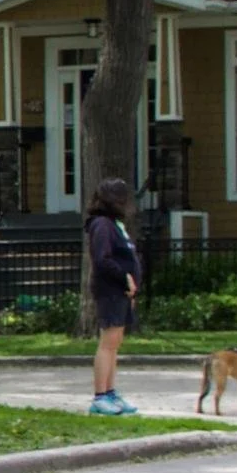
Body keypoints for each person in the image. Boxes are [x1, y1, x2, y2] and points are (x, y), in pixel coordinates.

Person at [86, 176, 141, 415]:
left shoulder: (115, 225)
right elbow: (102, 259)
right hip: (109, 290)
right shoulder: (102, 225)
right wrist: (124, 277)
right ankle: (100, 396)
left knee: (115, 343)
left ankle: (111, 391)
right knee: (107, 343)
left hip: (120, 291)